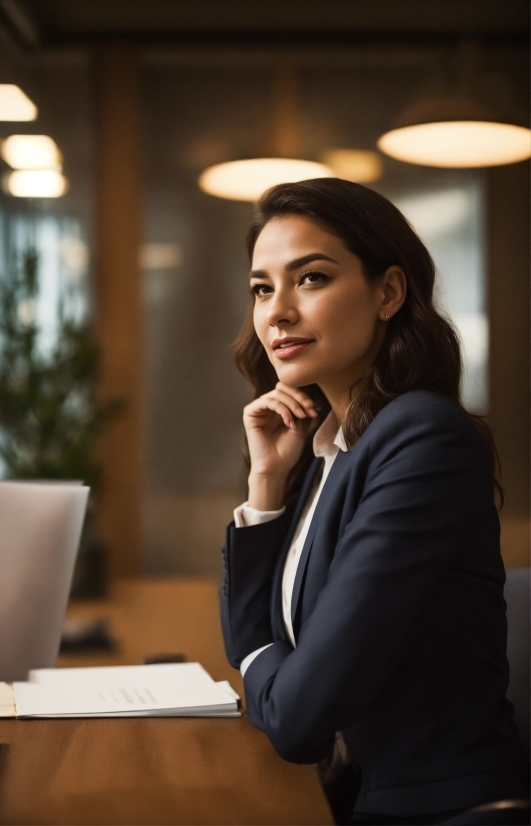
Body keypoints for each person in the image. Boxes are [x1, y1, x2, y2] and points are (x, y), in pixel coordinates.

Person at [219, 179, 529, 826]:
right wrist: (266, 488)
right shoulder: (330, 455)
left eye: (309, 279)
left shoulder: (421, 438)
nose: (277, 312)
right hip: (357, 801)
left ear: (388, 292)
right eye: (262, 288)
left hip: (444, 811)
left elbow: (299, 719)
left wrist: (269, 675)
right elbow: (278, 659)